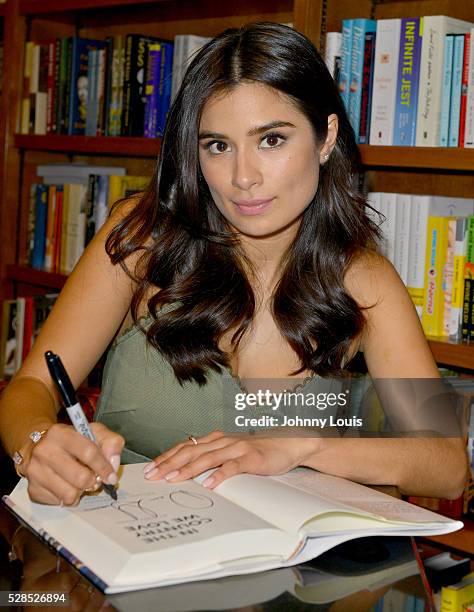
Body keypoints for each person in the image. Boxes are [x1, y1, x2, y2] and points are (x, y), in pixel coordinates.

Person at [0, 22, 467, 506]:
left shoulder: (365, 279)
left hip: (282, 570)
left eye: (271, 140)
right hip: (126, 551)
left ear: (326, 137)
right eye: (218, 146)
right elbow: (30, 387)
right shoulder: (143, 241)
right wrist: (36, 443)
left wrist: (300, 445)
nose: (243, 177)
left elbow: (447, 464)